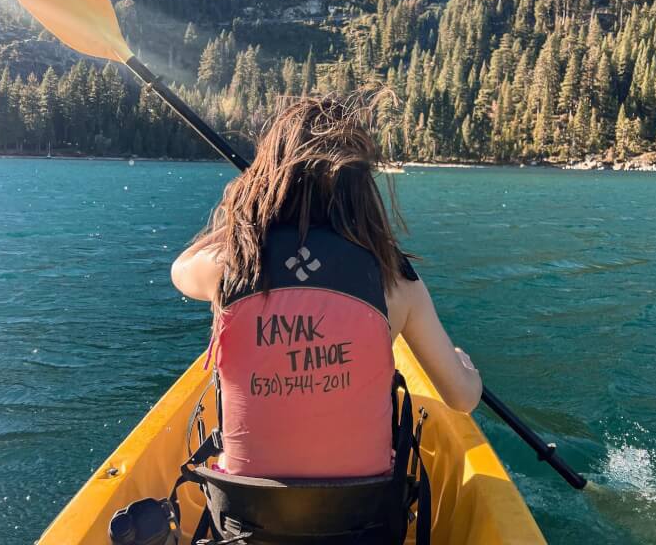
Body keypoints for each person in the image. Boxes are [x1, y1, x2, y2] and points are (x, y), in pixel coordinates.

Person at [172, 92, 482, 480]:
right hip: (362, 527)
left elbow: (180, 269)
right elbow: (463, 398)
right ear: (362, 188)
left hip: (246, 525)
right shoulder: (395, 280)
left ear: (269, 178)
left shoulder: (230, 265)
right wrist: (463, 362)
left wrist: (240, 222)